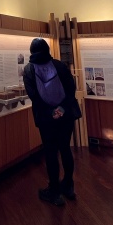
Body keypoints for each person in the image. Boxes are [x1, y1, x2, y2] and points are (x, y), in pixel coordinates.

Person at [23, 38, 79, 207]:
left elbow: (34, 96)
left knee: (51, 152)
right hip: (65, 114)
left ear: (31, 51)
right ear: (47, 49)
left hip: (46, 118)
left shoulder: (29, 69)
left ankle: (54, 192)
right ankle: (68, 186)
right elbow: (71, 88)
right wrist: (61, 109)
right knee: (65, 148)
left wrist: (50, 112)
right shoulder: (59, 65)